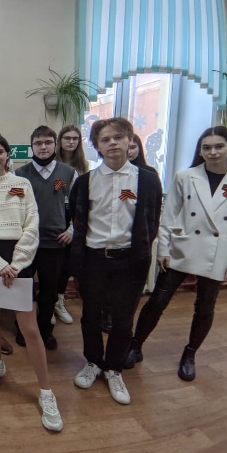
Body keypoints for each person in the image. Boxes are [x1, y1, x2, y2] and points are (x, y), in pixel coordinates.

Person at [0, 134, 63, 432]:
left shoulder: (23, 184)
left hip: (19, 259)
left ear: (8, 155)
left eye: (0, 152)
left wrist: (17, 263)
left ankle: (46, 392)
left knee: (30, 328)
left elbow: (32, 224)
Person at [125, 126, 227, 381]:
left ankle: (190, 353)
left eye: (219, 146)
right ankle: (135, 346)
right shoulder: (185, 176)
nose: (213, 152)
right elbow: (169, 215)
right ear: (200, 151)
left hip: (219, 252)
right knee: (157, 302)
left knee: (205, 308)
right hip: (181, 249)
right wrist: (163, 248)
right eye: (206, 147)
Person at [70, 117, 162, 405]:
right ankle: (93, 361)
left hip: (129, 261)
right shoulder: (85, 182)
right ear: (96, 146)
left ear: (129, 140)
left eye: (118, 137)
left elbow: (152, 221)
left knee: (123, 318)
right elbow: (78, 221)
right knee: (90, 315)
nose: (112, 143)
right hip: (94, 259)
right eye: (105, 139)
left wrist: (141, 252)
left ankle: (114, 368)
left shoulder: (147, 179)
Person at [14, 126, 77, 351]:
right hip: (26, 242)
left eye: (48, 142)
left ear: (55, 145)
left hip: (54, 242)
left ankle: (45, 330)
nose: (43, 147)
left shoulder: (68, 173)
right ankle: (23, 328)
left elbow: (78, 206)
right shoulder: (19, 174)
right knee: (23, 288)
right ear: (31, 146)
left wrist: (71, 230)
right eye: (38, 143)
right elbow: (14, 207)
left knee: (49, 291)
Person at [54, 124, 90, 325]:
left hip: (73, 221)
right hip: (54, 218)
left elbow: (82, 204)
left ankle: (59, 302)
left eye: (75, 138)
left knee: (66, 267)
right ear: (60, 141)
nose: (71, 142)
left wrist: (72, 229)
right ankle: (47, 303)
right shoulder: (52, 164)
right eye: (67, 138)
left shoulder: (84, 166)